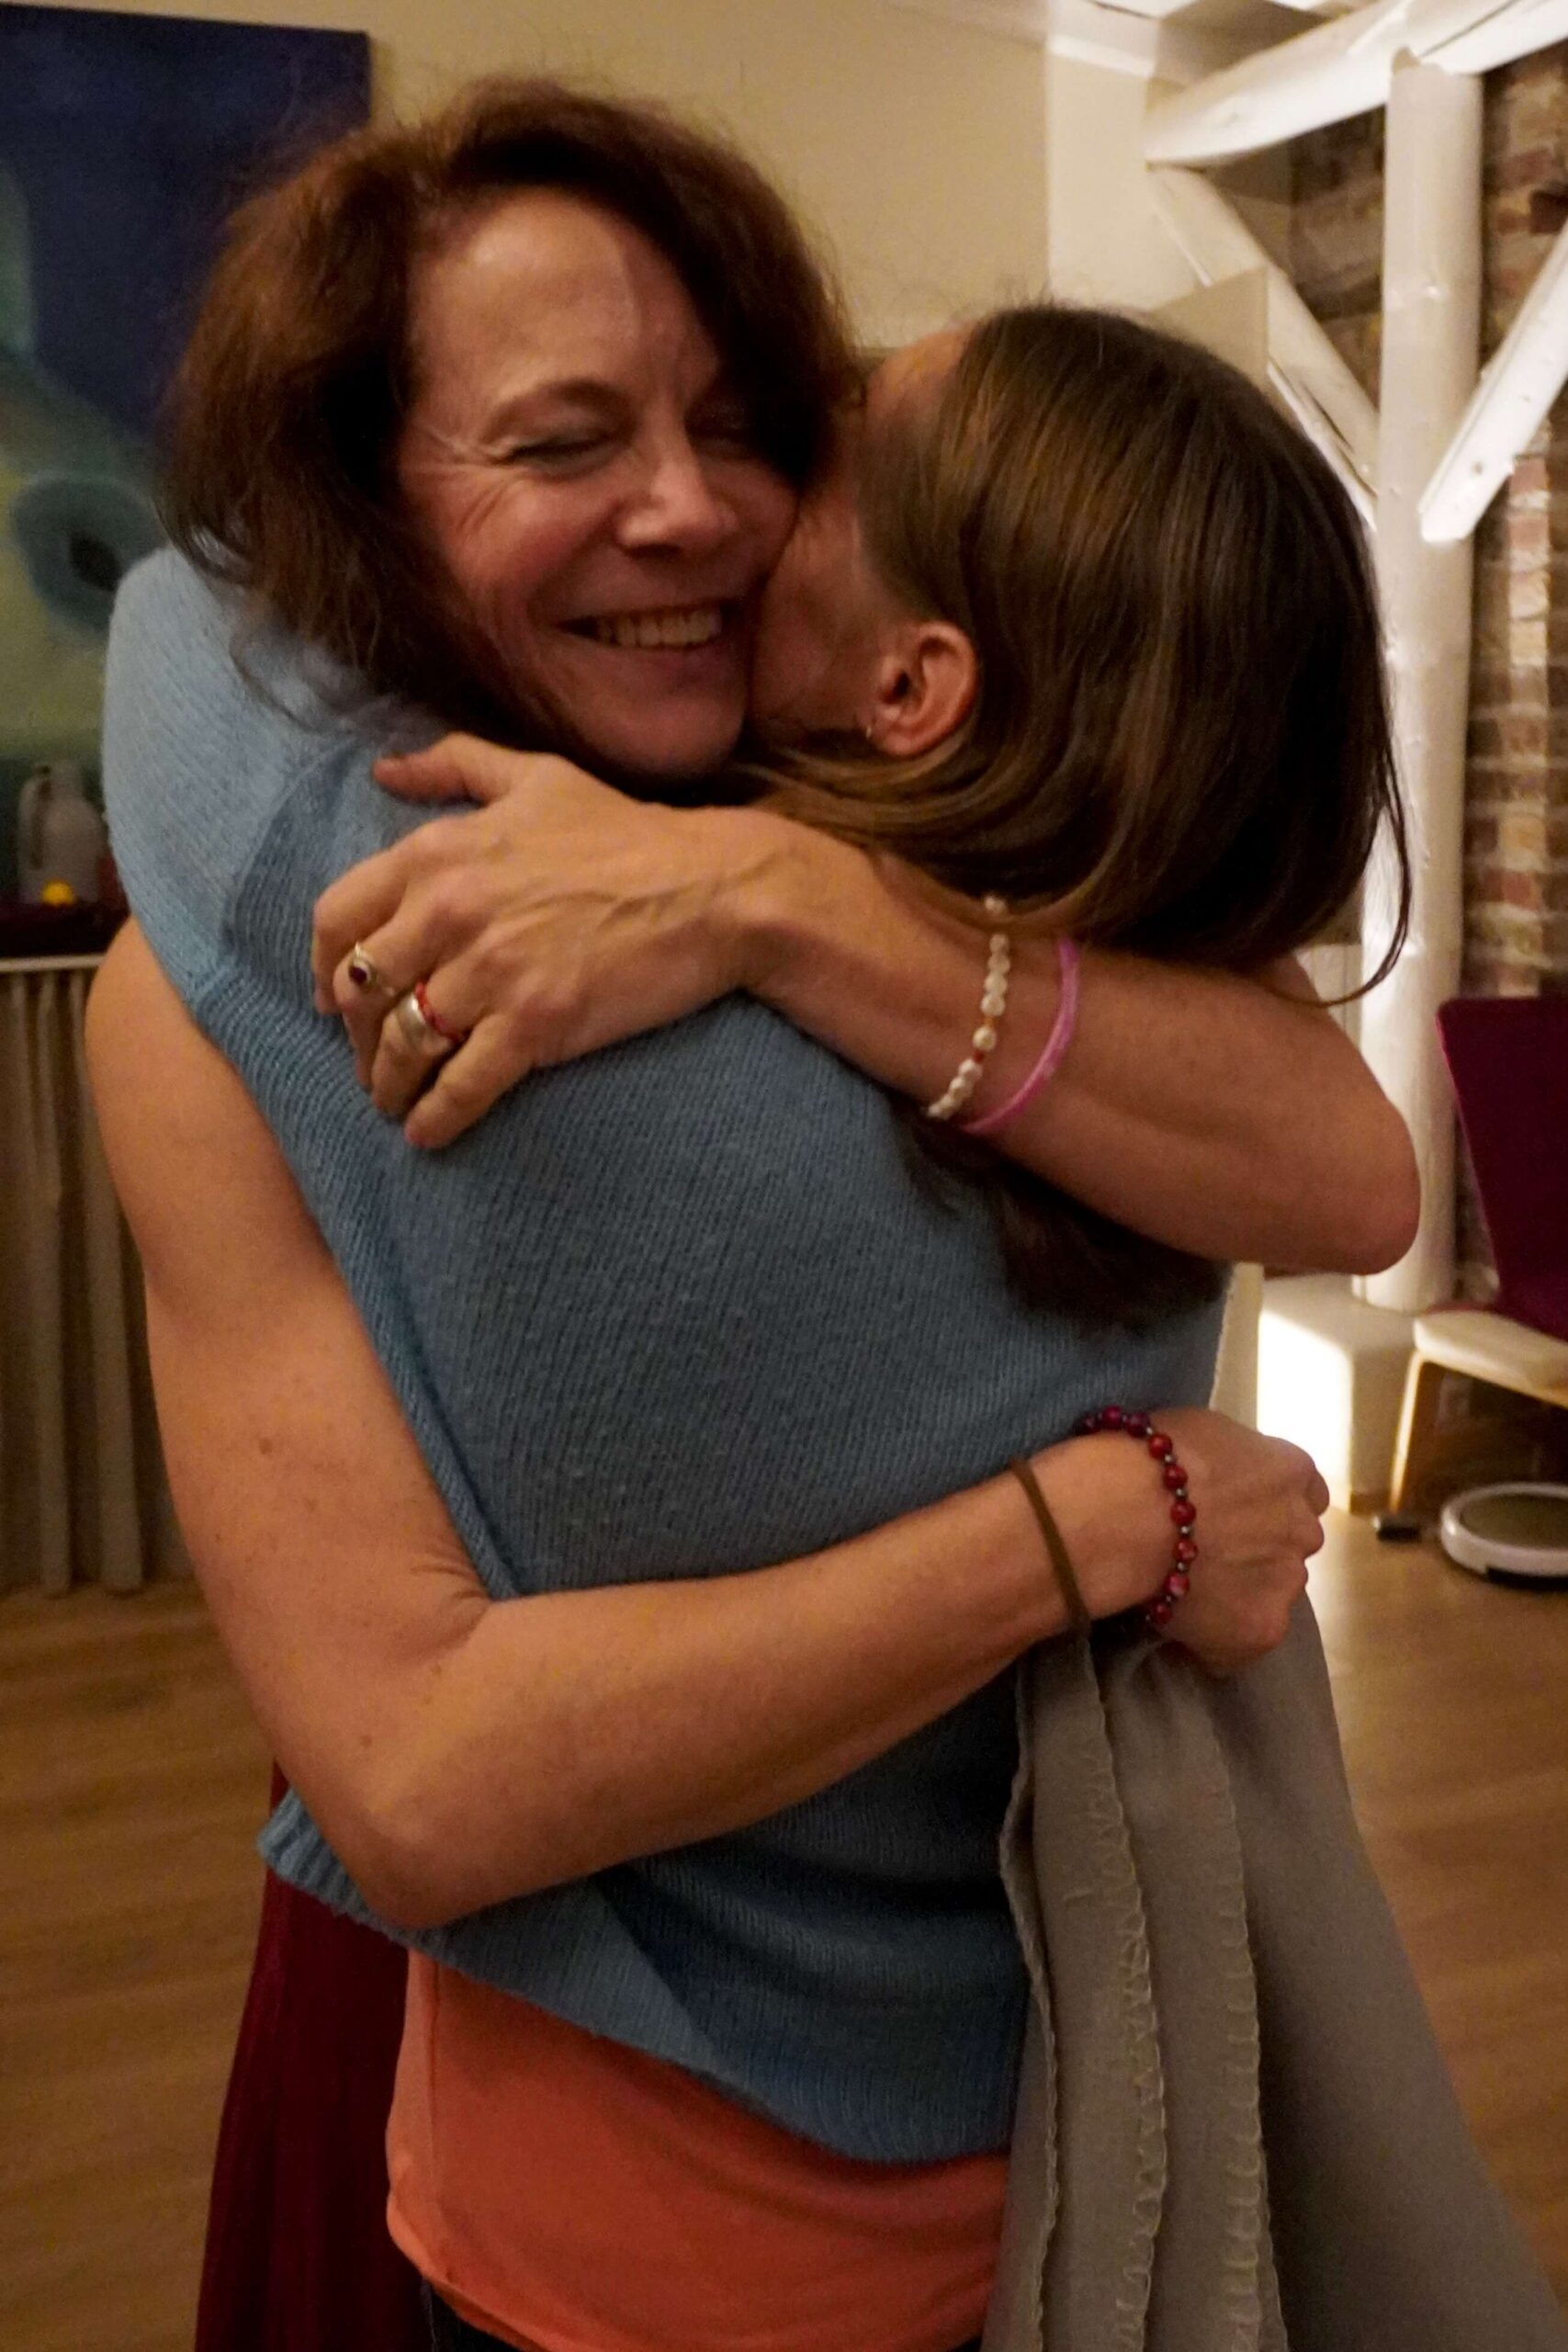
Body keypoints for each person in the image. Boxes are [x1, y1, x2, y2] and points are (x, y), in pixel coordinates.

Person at [85, 77, 1545, 2352]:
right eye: (560, 442)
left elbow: (1345, 1168)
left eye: (750, 427)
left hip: (1064, 2062)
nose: (689, 509)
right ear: (369, 500)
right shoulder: (256, 978)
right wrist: (1100, 1515)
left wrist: (763, 891)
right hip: (589, 2118)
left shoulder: (950, 852)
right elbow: (422, 1780)